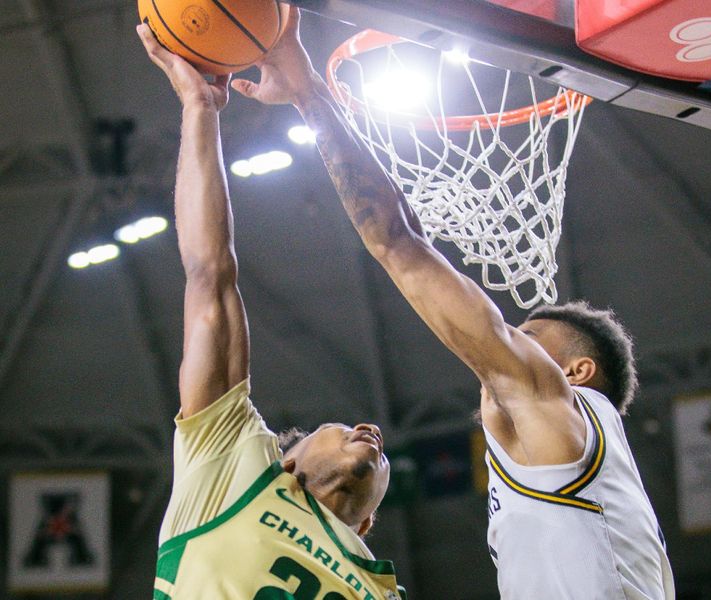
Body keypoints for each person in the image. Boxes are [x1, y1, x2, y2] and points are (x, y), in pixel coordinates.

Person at [232, 8, 675, 599]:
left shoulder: (548, 403)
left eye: (526, 338)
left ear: (574, 373)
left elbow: (397, 242)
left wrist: (310, 94)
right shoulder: (588, 471)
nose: (504, 343)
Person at [136, 23, 405, 600]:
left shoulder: (380, 592)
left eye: (353, 431)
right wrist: (199, 109)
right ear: (285, 462)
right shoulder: (230, 465)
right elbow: (210, 280)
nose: (370, 431)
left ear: (365, 527)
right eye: (340, 428)